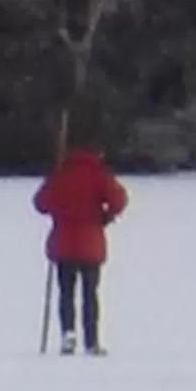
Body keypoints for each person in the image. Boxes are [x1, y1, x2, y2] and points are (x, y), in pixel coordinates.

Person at [33, 146, 130, 356]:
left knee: (66, 293)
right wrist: (106, 216)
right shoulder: (98, 174)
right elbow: (119, 199)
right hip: (91, 245)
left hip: (63, 243)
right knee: (90, 294)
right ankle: (91, 340)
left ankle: (68, 335)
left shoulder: (61, 174)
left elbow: (40, 203)